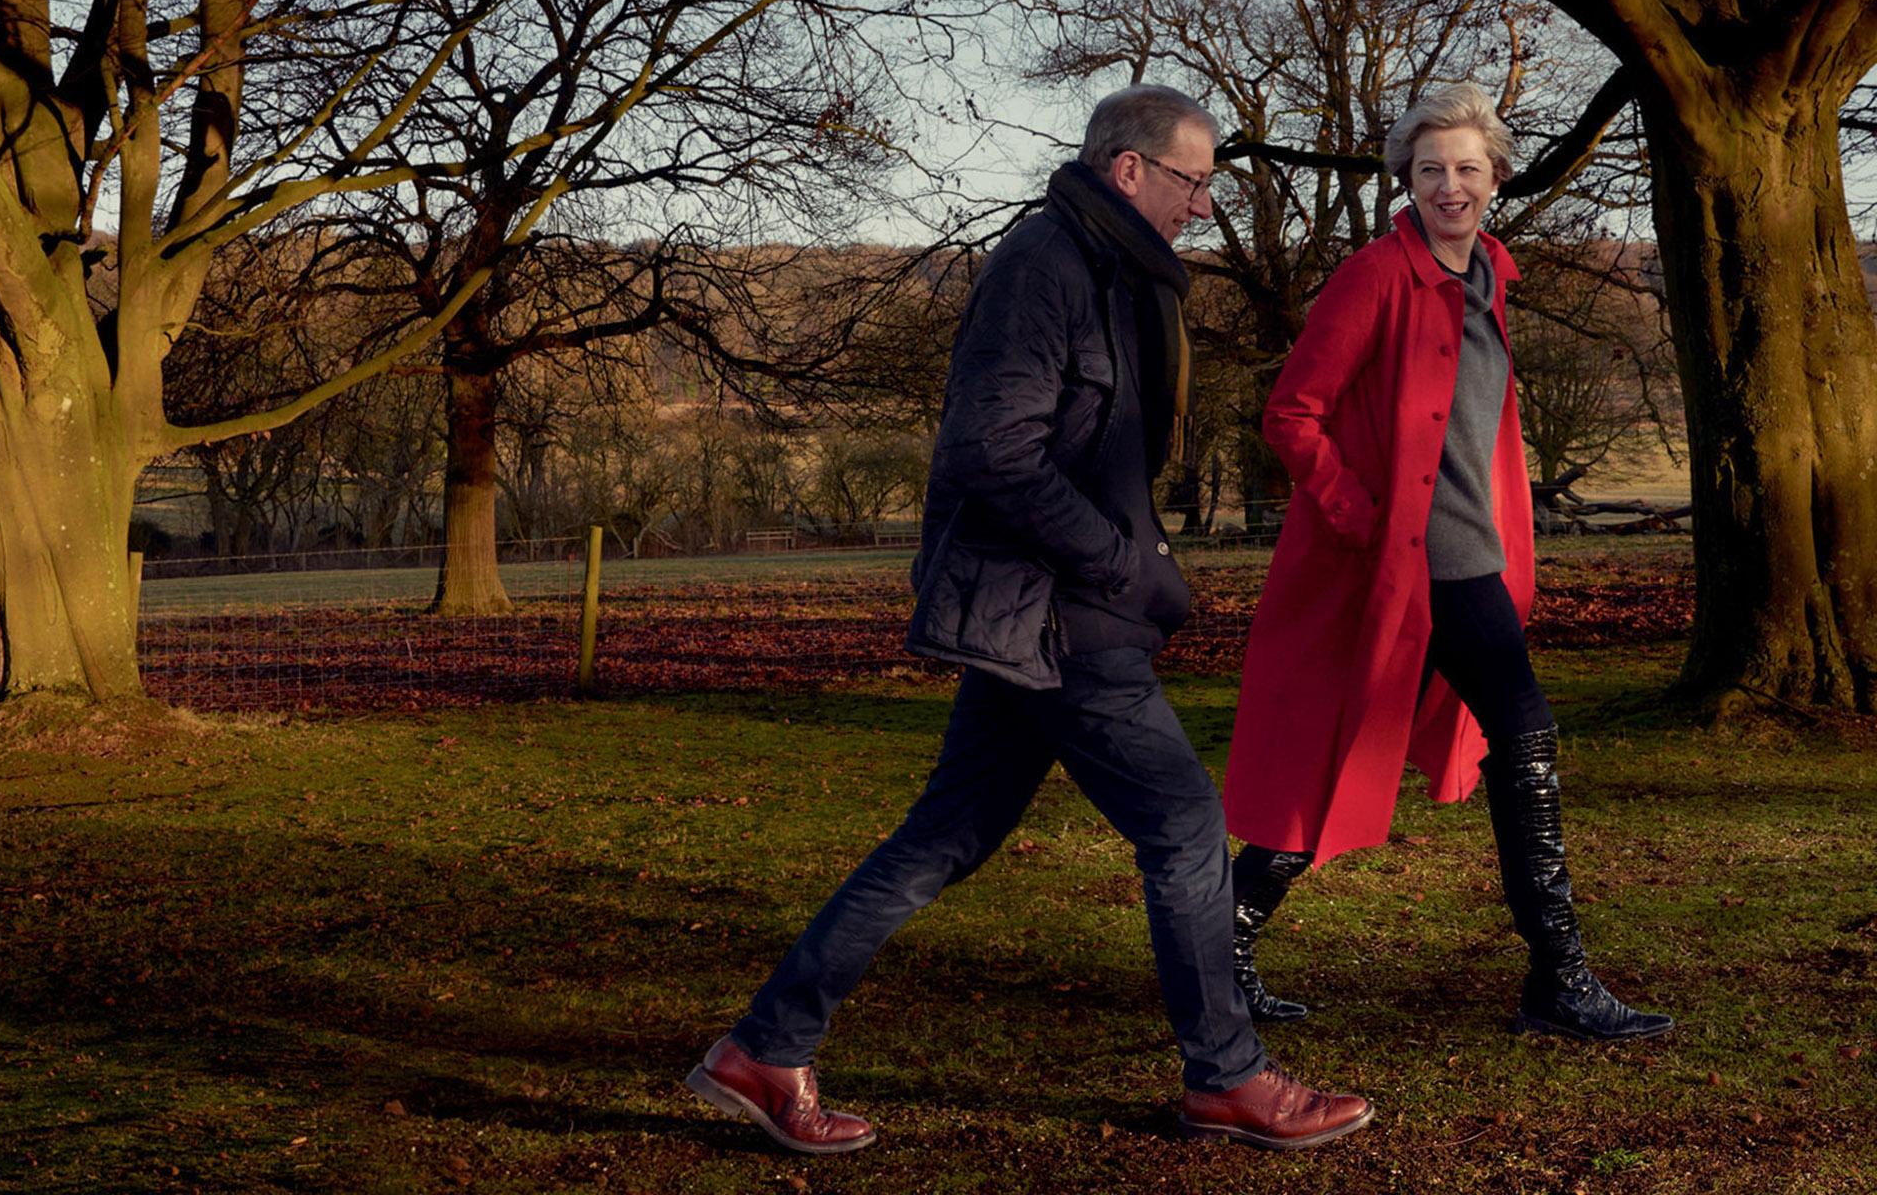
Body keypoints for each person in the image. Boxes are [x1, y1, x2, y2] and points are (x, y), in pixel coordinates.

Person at [686, 85, 1375, 1155]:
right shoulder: (1042, 268)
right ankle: (1227, 1079)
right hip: (1053, 616)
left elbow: (1094, 455)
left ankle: (763, 1050)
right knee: (1184, 822)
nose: (1203, 206)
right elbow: (988, 452)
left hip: (1055, 611)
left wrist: (1147, 562)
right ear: (1127, 170)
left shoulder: (1113, 273)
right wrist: (1116, 566)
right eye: (1192, 180)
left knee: (943, 839)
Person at [1222, 82, 1673, 1043]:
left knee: (1362, 750)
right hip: (1408, 566)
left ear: (1497, 177)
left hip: (1472, 560)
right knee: (1525, 741)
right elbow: (1290, 415)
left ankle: (1216, 943)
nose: (1450, 185)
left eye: (1468, 168)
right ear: (1408, 180)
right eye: (1431, 170)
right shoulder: (1375, 276)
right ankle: (1559, 981)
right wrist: (1364, 517)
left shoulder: (1490, 278)